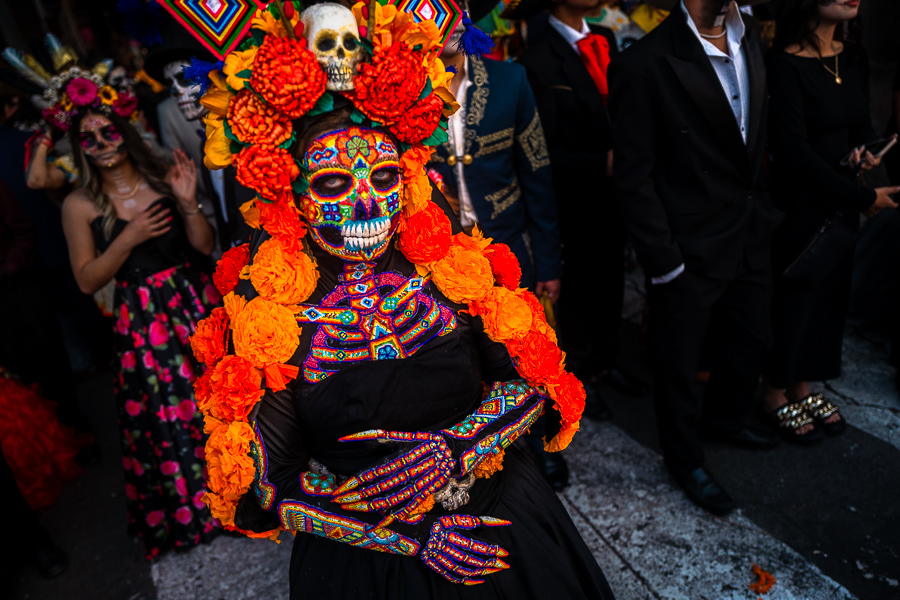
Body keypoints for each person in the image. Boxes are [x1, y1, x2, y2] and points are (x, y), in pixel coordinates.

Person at [187, 3, 613, 597]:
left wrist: (458, 447)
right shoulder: (265, 315)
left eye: (383, 180)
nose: (367, 204)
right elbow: (273, 486)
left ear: (407, 178)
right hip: (371, 561)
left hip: (501, 515)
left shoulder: (452, 267)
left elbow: (533, 384)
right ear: (295, 194)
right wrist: (406, 538)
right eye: (334, 183)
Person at [608, 0, 781, 514]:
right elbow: (633, 176)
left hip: (749, 228)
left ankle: (725, 421)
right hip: (688, 242)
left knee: (753, 337)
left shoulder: (749, 35)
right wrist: (665, 260)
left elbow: (754, 134)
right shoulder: (645, 62)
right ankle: (684, 459)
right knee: (678, 361)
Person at [59, 78, 220, 559]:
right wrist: (127, 238)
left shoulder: (163, 174)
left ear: (124, 131)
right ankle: (195, 509)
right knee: (168, 410)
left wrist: (188, 201)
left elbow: (205, 246)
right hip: (142, 319)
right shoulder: (78, 205)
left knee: (217, 397)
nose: (101, 146)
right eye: (87, 139)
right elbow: (87, 280)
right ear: (78, 148)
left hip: (193, 299)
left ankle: (243, 493)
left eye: (107, 132)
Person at [428, 8, 569, 489]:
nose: (440, 22)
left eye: (451, 9)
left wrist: (548, 259)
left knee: (522, 351)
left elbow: (538, 174)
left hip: (508, 249)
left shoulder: (510, 81)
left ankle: (538, 438)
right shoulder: (403, 92)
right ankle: (478, 447)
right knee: (460, 355)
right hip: (437, 253)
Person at [763, 0, 899, 441]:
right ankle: (773, 391)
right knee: (795, 295)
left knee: (828, 298)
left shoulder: (851, 55)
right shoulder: (783, 64)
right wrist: (862, 196)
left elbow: (860, 121)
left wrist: (867, 150)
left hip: (839, 199)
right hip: (801, 205)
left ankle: (803, 386)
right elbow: (795, 154)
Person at [512, 0, 649, 420]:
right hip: (572, 196)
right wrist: (600, 162)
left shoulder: (604, 37)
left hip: (617, 190)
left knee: (612, 278)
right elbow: (539, 150)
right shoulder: (535, 60)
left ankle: (608, 361)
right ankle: (581, 374)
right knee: (576, 286)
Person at [144, 21, 254, 256]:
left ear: (215, 73)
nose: (175, 92)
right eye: (170, 84)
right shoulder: (208, 142)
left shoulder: (253, 132)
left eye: (184, 78)